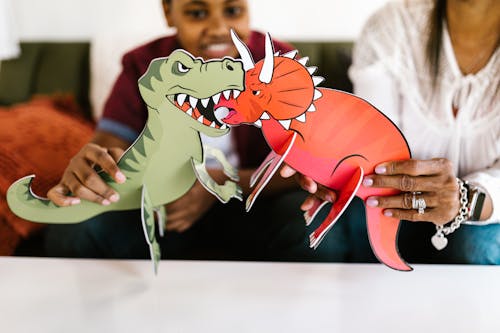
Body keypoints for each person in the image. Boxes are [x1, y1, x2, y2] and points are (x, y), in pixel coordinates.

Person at [43, 0, 348, 261]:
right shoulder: (143, 64)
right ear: (168, 12)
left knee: (316, 225)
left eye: (232, 10)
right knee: (74, 228)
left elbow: (306, 165)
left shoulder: (279, 65)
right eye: (197, 14)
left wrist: (214, 184)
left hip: (255, 202)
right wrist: (99, 164)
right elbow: (111, 141)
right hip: (165, 208)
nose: (218, 28)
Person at [282, 0, 499, 264]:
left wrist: (466, 201)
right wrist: (327, 161)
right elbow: (373, 140)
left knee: (476, 244)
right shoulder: (390, 28)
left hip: (486, 211)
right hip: (388, 200)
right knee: (317, 224)